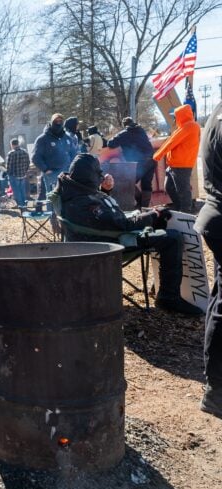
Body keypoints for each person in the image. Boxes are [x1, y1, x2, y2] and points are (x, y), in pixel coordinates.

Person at [52, 154, 202, 316]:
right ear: (90, 176)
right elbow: (122, 224)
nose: (101, 176)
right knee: (172, 238)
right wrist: (153, 215)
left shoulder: (72, 190)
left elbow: (100, 221)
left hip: (93, 238)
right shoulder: (84, 202)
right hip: (107, 245)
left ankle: (161, 285)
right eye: (98, 174)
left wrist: (104, 191)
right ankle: (169, 297)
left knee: (159, 224)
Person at [194, 100, 222, 418]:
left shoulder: (215, 111)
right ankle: (217, 390)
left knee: (219, 300)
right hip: (220, 215)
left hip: (214, 214)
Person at [153, 104, 201, 213]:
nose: (174, 119)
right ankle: (180, 208)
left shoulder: (189, 126)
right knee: (169, 187)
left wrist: (157, 156)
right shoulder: (185, 127)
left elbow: (171, 142)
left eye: (175, 116)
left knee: (183, 191)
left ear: (181, 116)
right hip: (175, 164)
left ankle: (186, 213)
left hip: (181, 165)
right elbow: (172, 141)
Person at [108, 117, 157, 207]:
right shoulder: (141, 130)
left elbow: (110, 143)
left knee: (128, 182)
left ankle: (139, 202)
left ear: (124, 125)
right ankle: (145, 207)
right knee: (146, 184)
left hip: (140, 162)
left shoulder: (124, 133)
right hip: (152, 160)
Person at [32, 113, 78, 196]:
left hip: (67, 174)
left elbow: (74, 155)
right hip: (52, 174)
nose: (58, 123)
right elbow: (35, 157)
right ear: (51, 122)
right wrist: (46, 169)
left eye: (60, 121)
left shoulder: (67, 138)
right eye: (56, 121)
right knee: (53, 199)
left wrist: (72, 169)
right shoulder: (43, 139)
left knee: (67, 198)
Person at [6, 139, 30, 208]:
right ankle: (24, 204)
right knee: (22, 190)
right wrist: (25, 171)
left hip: (14, 175)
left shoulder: (11, 153)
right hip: (23, 174)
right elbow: (28, 163)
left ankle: (20, 205)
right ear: (18, 144)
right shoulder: (25, 152)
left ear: (12, 145)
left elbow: (9, 166)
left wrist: (8, 173)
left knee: (16, 191)